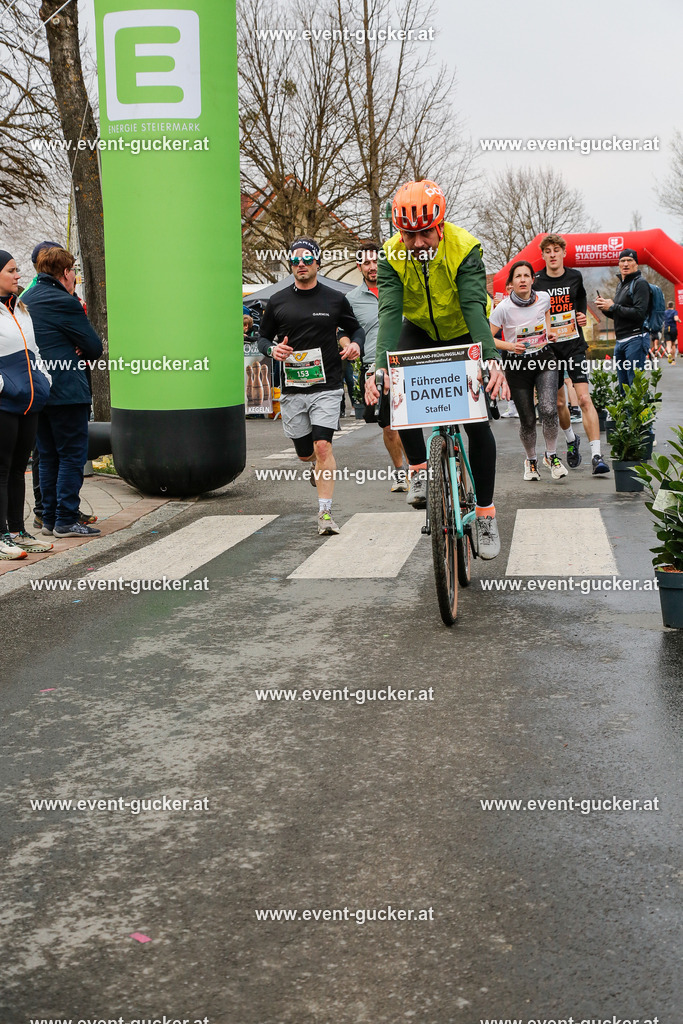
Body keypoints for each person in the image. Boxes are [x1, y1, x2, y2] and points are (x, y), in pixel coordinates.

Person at [367, 179, 508, 559]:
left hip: (462, 328)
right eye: (408, 235)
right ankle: (419, 469)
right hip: (418, 329)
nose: (417, 244)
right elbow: (390, 313)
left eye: (425, 234)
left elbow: (475, 305)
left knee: (477, 424)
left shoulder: (464, 248)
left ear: (440, 226)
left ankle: (485, 514)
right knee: (397, 386)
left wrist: (490, 357)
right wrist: (379, 367)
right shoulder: (391, 255)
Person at [257, 236, 364, 535]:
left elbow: (354, 328)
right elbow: (262, 338)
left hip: (327, 385)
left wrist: (355, 344)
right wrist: (271, 350)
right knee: (306, 453)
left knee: (322, 446)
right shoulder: (277, 301)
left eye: (306, 259)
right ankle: (315, 466)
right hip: (293, 390)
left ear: (317, 261)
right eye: (295, 260)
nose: (301, 264)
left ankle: (325, 514)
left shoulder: (334, 298)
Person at [23, 247, 103, 539]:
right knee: (71, 455)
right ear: (66, 273)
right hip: (67, 389)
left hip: (39, 388)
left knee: (47, 455)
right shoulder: (64, 301)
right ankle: (67, 519)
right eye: (74, 272)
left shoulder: (25, 299)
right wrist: (76, 347)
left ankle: (48, 520)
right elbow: (94, 347)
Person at [534, 234, 610, 475]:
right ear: (543, 255)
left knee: (585, 399)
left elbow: (581, 301)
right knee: (558, 403)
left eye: (557, 250)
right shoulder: (537, 281)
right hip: (550, 349)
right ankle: (570, 439)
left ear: (563, 253)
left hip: (574, 344)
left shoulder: (575, 276)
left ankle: (597, 455)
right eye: (548, 251)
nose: (553, 254)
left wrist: (580, 315)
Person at [489, 261, 567, 481]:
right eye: (517, 276)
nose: (522, 279)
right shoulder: (503, 308)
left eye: (526, 275)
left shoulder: (543, 298)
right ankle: (531, 461)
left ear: (533, 279)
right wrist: (511, 346)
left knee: (550, 409)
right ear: (511, 283)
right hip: (517, 365)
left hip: (544, 359)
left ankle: (551, 456)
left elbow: (547, 314)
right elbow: (487, 338)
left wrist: (549, 332)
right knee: (528, 420)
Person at [0, 249, 53, 559]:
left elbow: (36, 352)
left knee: (20, 469)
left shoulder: (21, 309)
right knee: (2, 470)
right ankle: (2, 535)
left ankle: (18, 531)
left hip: (30, 403)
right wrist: (7, 386)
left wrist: (45, 381)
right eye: (11, 270)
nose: (18, 275)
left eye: (17, 269)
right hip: (5, 404)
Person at [346, 242, 408, 491]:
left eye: (376, 261)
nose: (373, 267)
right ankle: (401, 472)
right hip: (375, 365)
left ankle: (420, 467)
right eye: (367, 263)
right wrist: (350, 345)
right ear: (359, 266)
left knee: (411, 421)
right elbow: (345, 330)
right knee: (389, 425)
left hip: (408, 362)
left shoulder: (403, 288)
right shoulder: (351, 299)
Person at [595, 249, 650, 389]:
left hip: (636, 339)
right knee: (623, 388)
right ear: (619, 264)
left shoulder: (640, 283)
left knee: (634, 388)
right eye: (622, 261)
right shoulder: (621, 285)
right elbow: (618, 314)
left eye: (629, 260)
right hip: (620, 342)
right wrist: (605, 308)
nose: (625, 264)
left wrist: (613, 306)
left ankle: (637, 412)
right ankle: (627, 412)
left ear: (636, 264)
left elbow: (639, 313)